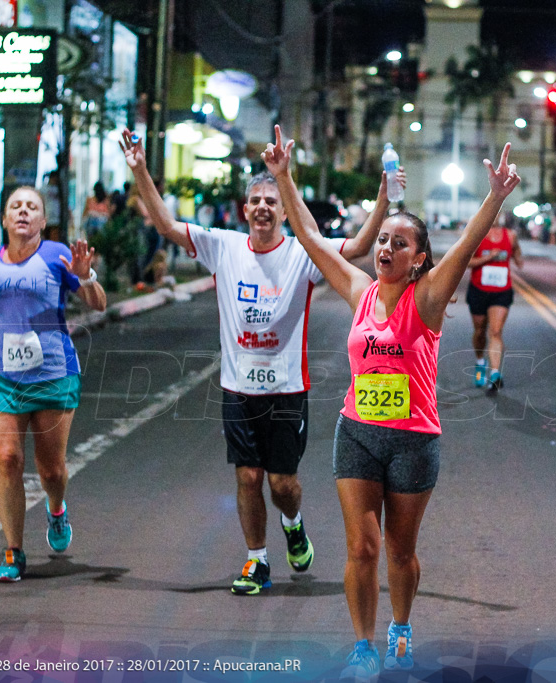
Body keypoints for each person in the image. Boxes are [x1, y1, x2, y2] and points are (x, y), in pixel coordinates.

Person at [262, 125, 520, 677]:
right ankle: (363, 645)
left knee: (400, 552)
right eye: (383, 240)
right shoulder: (359, 293)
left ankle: (400, 625)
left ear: (419, 259)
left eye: (399, 244)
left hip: (413, 441)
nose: (385, 248)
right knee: (362, 549)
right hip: (356, 432)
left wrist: (494, 197)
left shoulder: (427, 300)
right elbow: (309, 238)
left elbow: (467, 247)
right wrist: (284, 178)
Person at [120, 128, 402, 597]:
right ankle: (257, 561)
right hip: (238, 389)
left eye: (273, 200)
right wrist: (139, 169)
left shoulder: (303, 252)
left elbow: (359, 247)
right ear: (244, 210)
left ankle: (293, 524)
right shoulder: (223, 246)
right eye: (256, 201)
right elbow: (167, 225)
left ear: (284, 210)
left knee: (283, 485)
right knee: (248, 476)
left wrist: (382, 195)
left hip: (287, 391)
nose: (264, 207)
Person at [0, 186, 107, 582]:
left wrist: (86, 278)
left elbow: (98, 303)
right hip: (2, 375)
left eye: (31, 207)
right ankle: (14, 551)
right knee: (7, 458)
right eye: (15, 207)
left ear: (41, 221)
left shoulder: (56, 255)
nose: (22, 212)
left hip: (53, 374)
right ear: (3, 219)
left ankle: (56, 510)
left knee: (50, 470)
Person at [466, 211, 524, 393]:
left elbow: (518, 256)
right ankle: (480, 362)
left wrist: (517, 256)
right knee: (480, 331)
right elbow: (466, 261)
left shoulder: (511, 236)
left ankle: (495, 374)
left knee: (496, 331)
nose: (496, 216)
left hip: (502, 291)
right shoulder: (477, 234)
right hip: (478, 290)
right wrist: (488, 257)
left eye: (499, 212)